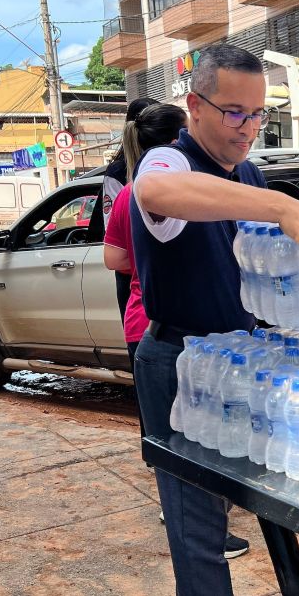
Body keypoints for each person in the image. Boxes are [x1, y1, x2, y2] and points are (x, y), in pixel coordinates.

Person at [130, 44, 299, 596]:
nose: (247, 128)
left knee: (274, 496)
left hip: (246, 355)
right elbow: (154, 192)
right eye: (233, 112)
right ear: (193, 105)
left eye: (258, 113)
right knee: (197, 523)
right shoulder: (168, 161)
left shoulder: (247, 170)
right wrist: (283, 207)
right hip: (181, 360)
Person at [103, 103, 187, 420]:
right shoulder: (196, 187)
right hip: (183, 330)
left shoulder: (128, 191)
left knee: (158, 436)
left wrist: (142, 260)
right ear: (177, 141)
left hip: (143, 324)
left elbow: (114, 258)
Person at [102, 97, 159, 324]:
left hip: (140, 278)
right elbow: (115, 241)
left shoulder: (175, 167)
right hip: (135, 279)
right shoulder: (118, 172)